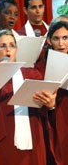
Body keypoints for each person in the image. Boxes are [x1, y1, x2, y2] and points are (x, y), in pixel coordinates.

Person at [0, 29, 49, 165]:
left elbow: (44, 108)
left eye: (12, 45)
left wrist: (48, 102)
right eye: (3, 46)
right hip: (5, 140)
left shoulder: (31, 74)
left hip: (33, 136)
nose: (8, 49)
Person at [32, 21, 68, 165]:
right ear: (49, 40)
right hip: (51, 118)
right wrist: (50, 106)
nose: (61, 43)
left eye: (65, 38)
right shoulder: (41, 66)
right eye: (56, 38)